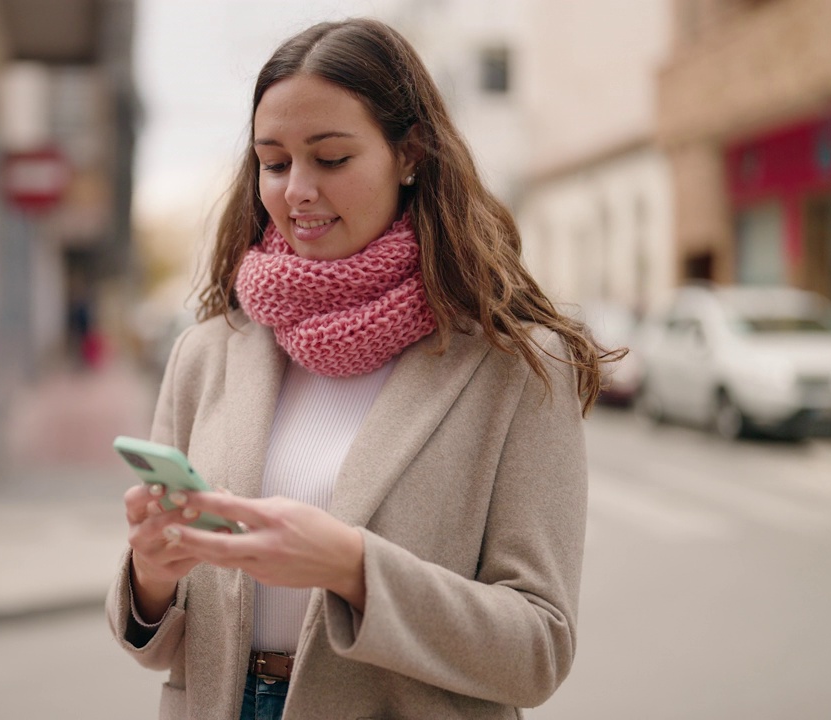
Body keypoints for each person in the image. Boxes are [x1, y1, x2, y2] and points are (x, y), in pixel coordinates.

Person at [107, 17, 613, 719]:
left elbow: (537, 652)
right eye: (275, 163)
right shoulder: (212, 350)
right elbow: (160, 645)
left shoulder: (513, 364)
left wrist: (353, 568)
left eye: (332, 159)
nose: (297, 191)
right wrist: (152, 577)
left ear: (410, 154)